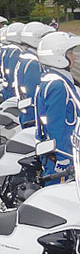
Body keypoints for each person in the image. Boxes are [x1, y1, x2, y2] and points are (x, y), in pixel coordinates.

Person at [35, 31, 80, 185]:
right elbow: (55, 125)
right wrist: (63, 159)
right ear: (58, 56)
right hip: (61, 155)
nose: (73, 57)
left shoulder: (56, 78)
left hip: (62, 150)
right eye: (70, 53)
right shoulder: (57, 85)